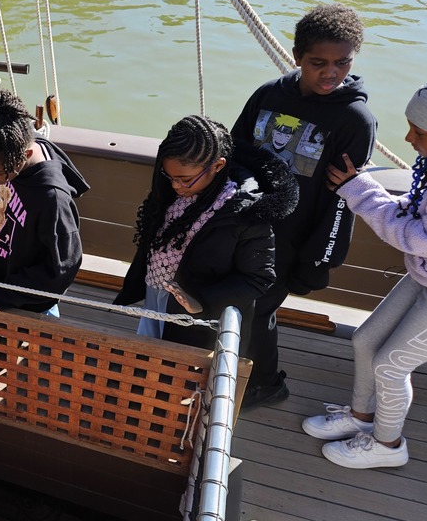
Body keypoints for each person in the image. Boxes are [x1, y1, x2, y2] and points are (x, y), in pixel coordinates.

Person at [301, 64, 427, 469]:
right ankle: (361, 416)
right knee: (366, 340)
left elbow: (419, 238)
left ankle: (388, 444)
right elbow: (419, 210)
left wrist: (360, 190)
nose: (409, 138)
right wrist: (365, 186)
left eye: (420, 131)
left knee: (391, 365)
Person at [231, 3, 377, 409]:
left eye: (342, 63)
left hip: (293, 241)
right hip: (246, 225)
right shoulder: (267, 95)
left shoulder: (355, 120)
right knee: (239, 304)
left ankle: (266, 383)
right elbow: (236, 151)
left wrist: (318, 260)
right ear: (297, 57)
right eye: (318, 63)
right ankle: (234, 372)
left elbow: (341, 201)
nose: (331, 73)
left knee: (259, 308)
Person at [114, 115, 297, 352]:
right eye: (170, 177)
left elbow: (258, 278)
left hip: (201, 320)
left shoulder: (246, 215)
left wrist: (201, 302)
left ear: (218, 166)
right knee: (149, 353)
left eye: (185, 180)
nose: (176, 186)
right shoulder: (172, 191)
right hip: (157, 296)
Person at [0, 93, 90, 318]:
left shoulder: (52, 198)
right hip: (4, 288)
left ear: (26, 155)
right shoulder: (12, 153)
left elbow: (62, 267)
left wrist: (0, 296)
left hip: (33, 306)